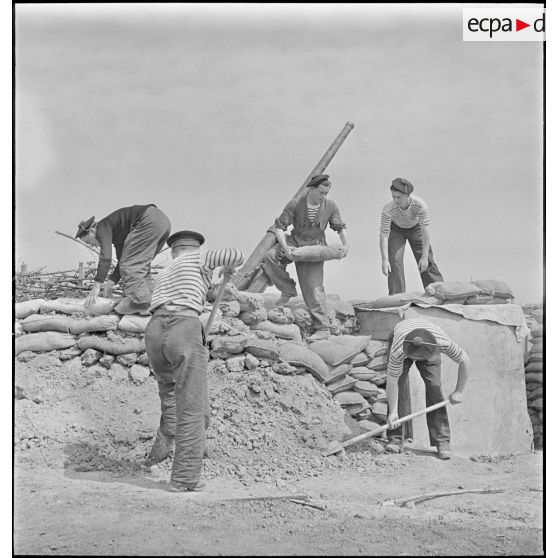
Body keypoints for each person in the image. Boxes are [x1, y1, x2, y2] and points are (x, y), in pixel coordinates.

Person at [144, 230, 244, 492]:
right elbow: (235, 255)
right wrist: (228, 268)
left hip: (154, 331)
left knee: (169, 392)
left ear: (173, 250)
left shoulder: (165, 271)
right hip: (183, 327)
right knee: (192, 406)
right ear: (194, 247)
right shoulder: (198, 258)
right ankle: (185, 477)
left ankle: (160, 452)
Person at [263, 174, 349, 341]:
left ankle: (322, 328)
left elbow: (340, 227)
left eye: (326, 193)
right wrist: (286, 249)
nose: (323, 196)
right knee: (271, 256)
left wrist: (346, 245)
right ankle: (287, 289)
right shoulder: (296, 203)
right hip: (294, 241)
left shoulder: (330, 206)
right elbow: (280, 227)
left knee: (314, 289)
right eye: (321, 192)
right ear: (311, 189)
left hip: (314, 247)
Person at [385, 318, 470, 460]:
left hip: (431, 344)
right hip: (403, 340)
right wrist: (393, 412)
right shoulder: (398, 350)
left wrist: (459, 391)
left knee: (434, 389)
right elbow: (392, 381)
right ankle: (395, 439)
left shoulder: (442, 342)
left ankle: (442, 441)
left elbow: (465, 360)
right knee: (400, 385)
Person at [76, 204, 171, 315]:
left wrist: (96, 286)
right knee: (140, 266)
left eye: (88, 242)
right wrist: (110, 283)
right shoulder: (117, 234)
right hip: (162, 222)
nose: (92, 246)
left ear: (92, 231)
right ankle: (154, 302)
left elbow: (106, 258)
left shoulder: (102, 227)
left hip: (147, 220)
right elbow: (122, 261)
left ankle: (140, 303)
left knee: (131, 266)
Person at [379, 178, 443, 295]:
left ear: (408, 195)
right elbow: (383, 235)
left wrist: (424, 257)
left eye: (399, 197)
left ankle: (438, 291)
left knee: (426, 259)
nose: (395, 200)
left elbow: (425, 232)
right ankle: (397, 296)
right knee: (395, 260)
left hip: (416, 229)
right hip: (396, 230)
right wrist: (384, 260)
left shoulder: (420, 205)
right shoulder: (388, 209)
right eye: (393, 197)